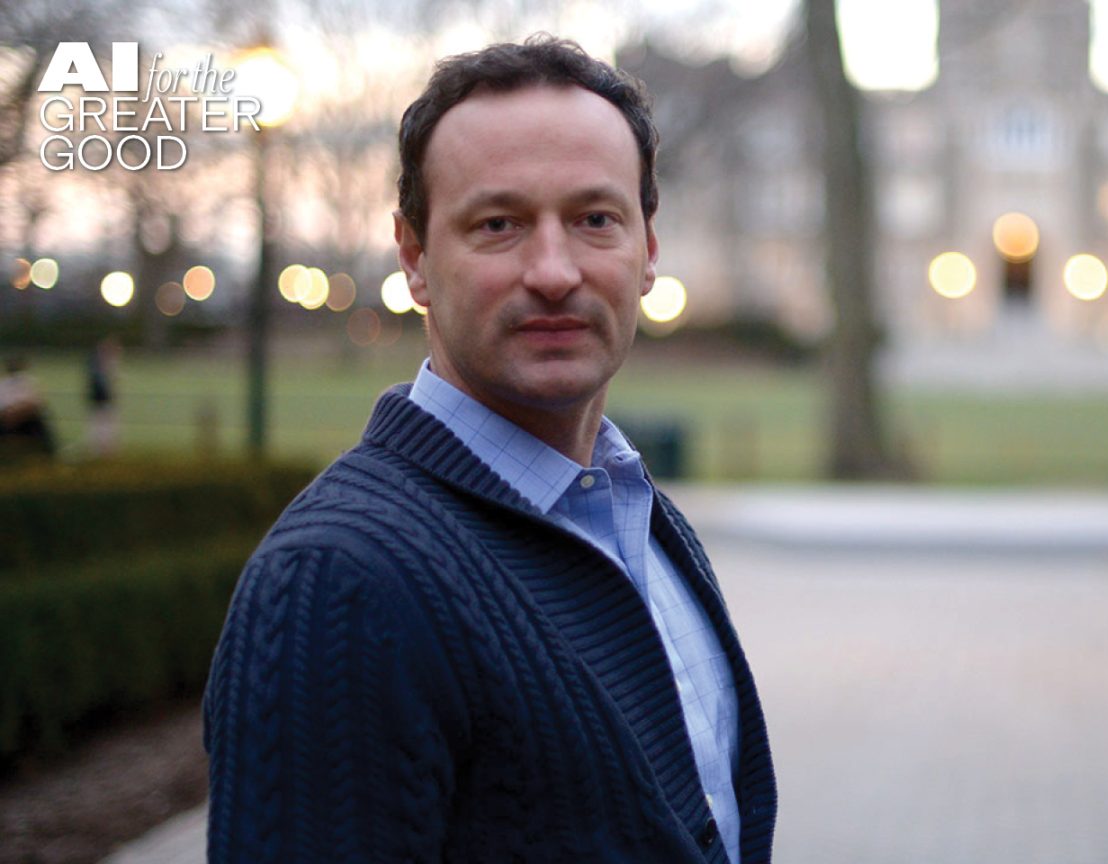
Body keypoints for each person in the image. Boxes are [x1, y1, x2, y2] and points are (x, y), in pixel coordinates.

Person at [203, 36, 776, 864]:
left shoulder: (635, 513)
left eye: (594, 219)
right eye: (499, 224)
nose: (553, 270)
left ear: (648, 249)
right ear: (415, 257)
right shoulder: (338, 585)